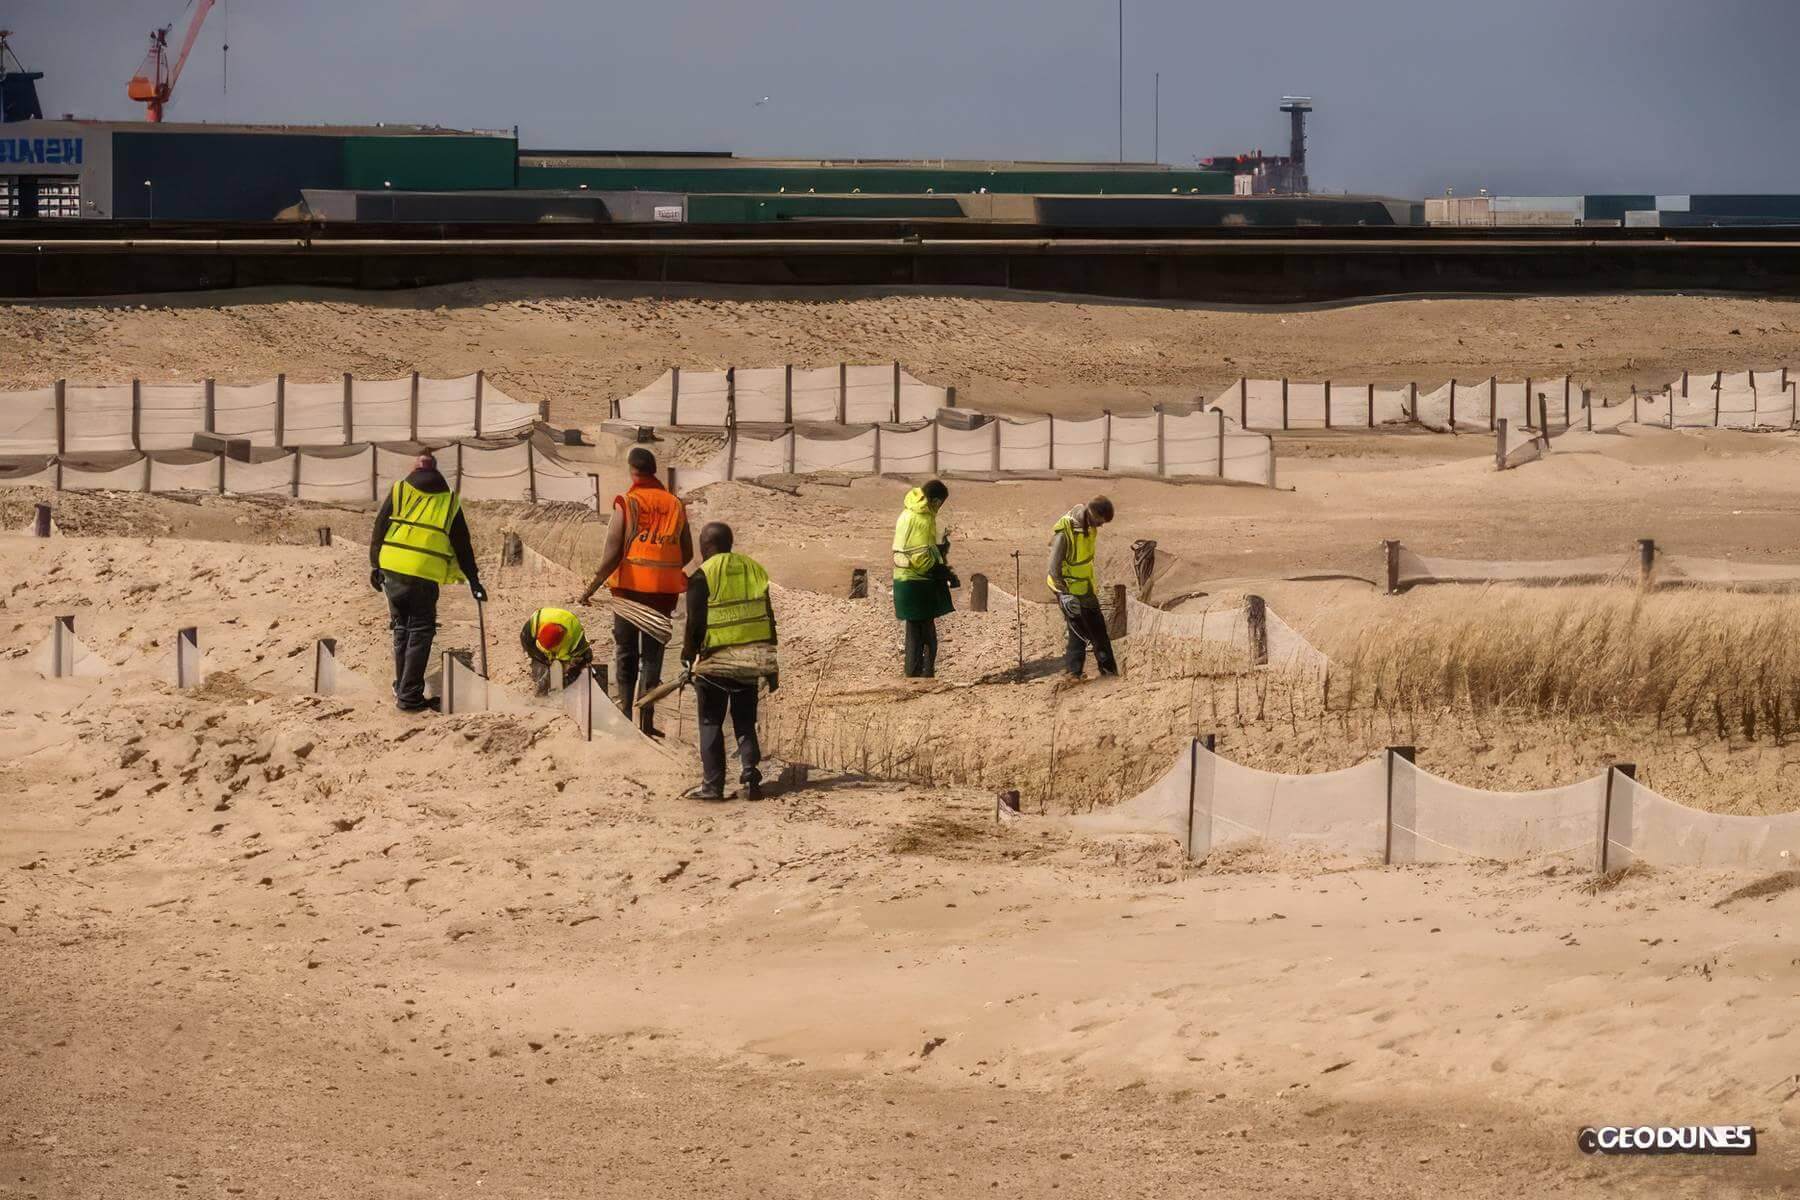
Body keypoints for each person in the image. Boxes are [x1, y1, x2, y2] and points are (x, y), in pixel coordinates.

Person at [579, 447, 693, 737]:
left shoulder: (627, 503)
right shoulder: (675, 505)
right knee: (652, 658)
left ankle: (624, 718)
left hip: (628, 593)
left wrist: (590, 589)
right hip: (662, 596)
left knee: (626, 654)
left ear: (632, 470)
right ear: (654, 470)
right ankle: (647, 721)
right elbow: (688, 552)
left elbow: (612, 552)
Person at [369, 452, 486, 713]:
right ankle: (409, 697)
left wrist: (375, 566)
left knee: (401, 627)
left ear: (415, 467)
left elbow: (379, 528)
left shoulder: (400, 490)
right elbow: (463, 546)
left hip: (392, 567)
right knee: (420, 630)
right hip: (423, 573)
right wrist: (474, 581)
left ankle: (402, 687)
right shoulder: (449, 501)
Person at [682, 521, 778, 802]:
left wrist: (687, 657)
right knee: (745, 721)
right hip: (750, 660)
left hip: (716, 662)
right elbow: (768, 618)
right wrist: (771, 666)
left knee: (711, 720)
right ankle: (750, 776)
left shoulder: (703, 575)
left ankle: (713, 787)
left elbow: (694, 624)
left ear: (707, 545)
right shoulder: (754, 570)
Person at [891, 479, 958, 678]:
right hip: (917, 581)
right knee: (928, 637)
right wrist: (941, 571)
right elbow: (920, 555)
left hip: (903, 578)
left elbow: (919, 548)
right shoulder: (923, 518)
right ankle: (924, 678)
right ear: (936, 501)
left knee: (914, 632)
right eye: (941, 504)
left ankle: (914, 675)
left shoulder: (907, 513)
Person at [1046, 495, 1118, 678]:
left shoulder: (1090, 526)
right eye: (1100, 521)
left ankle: (1108, 670)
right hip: (1067, 588)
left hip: (1085, 586)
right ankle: (1073, 673)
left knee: (1098, 628)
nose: (1101, 526)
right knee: (1077, 630)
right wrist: (1063, 594)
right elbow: (1054, 568)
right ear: (1093, 513)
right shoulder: (1065, 531)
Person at [520, 606, 593, 694]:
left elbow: (584, 655)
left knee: (584, 659)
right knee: (538, 664)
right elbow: (526, 642)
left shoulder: (576, 638)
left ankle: (563, 687)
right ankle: (540, 683)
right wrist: (541, 660)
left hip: (570, 630)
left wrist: (567, 678)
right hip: (548, 623)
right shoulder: (535, 624)